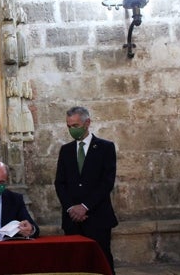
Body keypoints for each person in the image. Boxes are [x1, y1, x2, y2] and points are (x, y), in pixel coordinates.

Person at [54, 106, 118, 274]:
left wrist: (85, 206)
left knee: (101, 260)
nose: (71, 130)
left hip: (97, 217)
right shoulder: (66, 150)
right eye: (69, 126)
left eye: (75, 126)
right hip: (72, 219)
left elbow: (107, 182)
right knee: (75, 263)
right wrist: (70, 207)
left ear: (87, 123)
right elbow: (60, 183)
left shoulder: (105, 148)